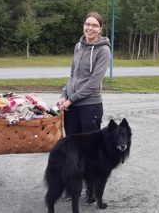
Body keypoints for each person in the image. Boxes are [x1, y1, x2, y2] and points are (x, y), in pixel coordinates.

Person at [57, 12, 111, 203]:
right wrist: (64, 94)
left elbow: (94, 82)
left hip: (90, 106)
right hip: (72, 105)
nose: (90, 28)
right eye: (87, 24)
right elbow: (73, 75)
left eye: (94, 25)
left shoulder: (104, 51)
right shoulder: (78, 46)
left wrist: (71, 99)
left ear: (100, 29)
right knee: (73, 150)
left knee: (90, 151)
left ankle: (91, 192)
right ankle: (74, 188)